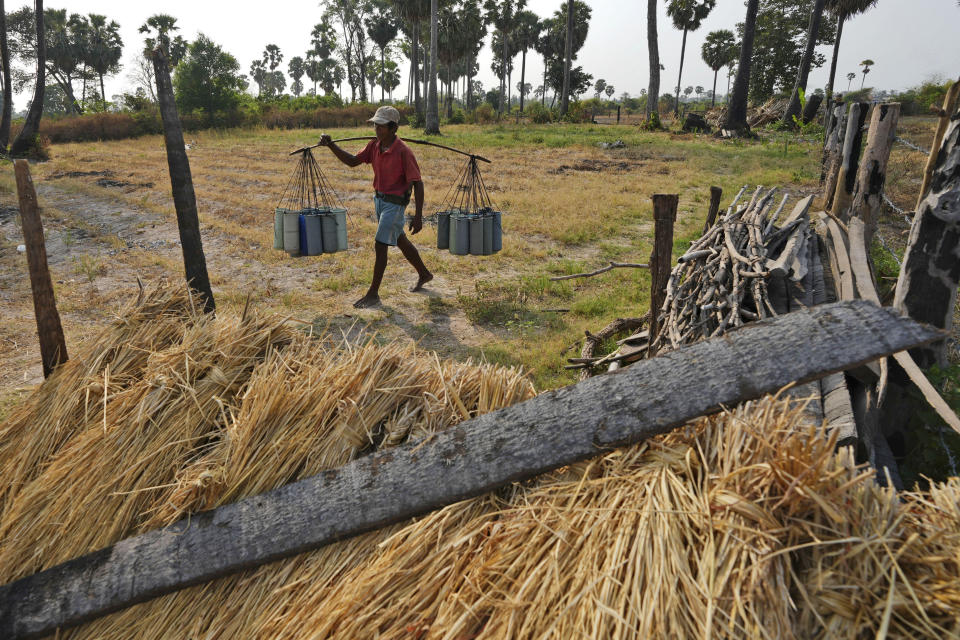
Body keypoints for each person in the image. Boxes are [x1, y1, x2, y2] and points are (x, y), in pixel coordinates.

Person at [318, 106, 433, 308]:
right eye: (375, 126)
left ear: (393, 128)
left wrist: (418, 216)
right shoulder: (374, 146)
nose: (377, 130)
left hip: (395, 204)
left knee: (380, 244)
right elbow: (353, 161)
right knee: (399, 239)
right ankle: (424, 273)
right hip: (379, 201)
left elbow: (418, 182)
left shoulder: (404, 152)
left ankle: (373, 294)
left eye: (381, 126)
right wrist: (331, 145)